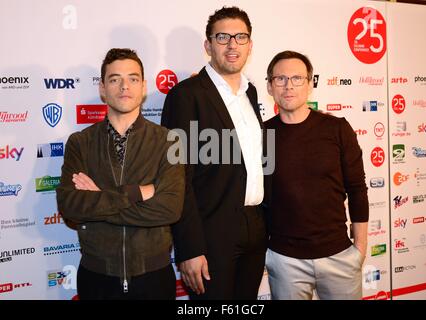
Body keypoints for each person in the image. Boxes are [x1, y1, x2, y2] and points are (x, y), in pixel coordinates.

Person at [56, 48, 185, 300]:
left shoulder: (169, 141)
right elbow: (70, 205)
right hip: (96, 277)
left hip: (154, 277)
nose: (124, 86)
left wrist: (99, 200)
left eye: (133, 79)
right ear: (102, 88)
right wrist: (137, 193)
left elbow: (169, 208)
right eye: (115, 79)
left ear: (144, 87)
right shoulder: (80, 143)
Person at [161, 6, 267, 300]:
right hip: (212, 233)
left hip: (256, 228)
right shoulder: (185, 96)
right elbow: (176, 177)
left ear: (249, 45)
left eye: (240, 37)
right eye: (223, 37)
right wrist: (190, 247)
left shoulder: (252, 93)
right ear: (208, 45)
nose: (232, 45)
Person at [264, 50, 369, 300]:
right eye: (280, 79)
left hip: (339, 257)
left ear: (310, 84)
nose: (289, 86)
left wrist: (360, 249)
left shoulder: (337, 129)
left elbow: (357, 189)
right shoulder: (261, 135)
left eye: (297, 78)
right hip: (284, 260)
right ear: (269, 86)